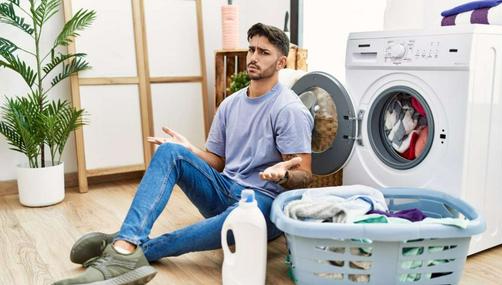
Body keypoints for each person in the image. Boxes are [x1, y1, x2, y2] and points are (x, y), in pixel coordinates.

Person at [53, 22, 314, 285]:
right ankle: (128, 241)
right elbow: (218, 162)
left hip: (261, 207)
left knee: (216, 226)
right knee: (170, 151)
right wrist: (189, 150)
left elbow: (304, 175)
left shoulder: (288, 110)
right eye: (251, 50)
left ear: (281, 63)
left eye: (264, 52)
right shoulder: (230, 104)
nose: (254, 57)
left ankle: (124, 248)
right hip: (226, 190)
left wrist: (283, 176)